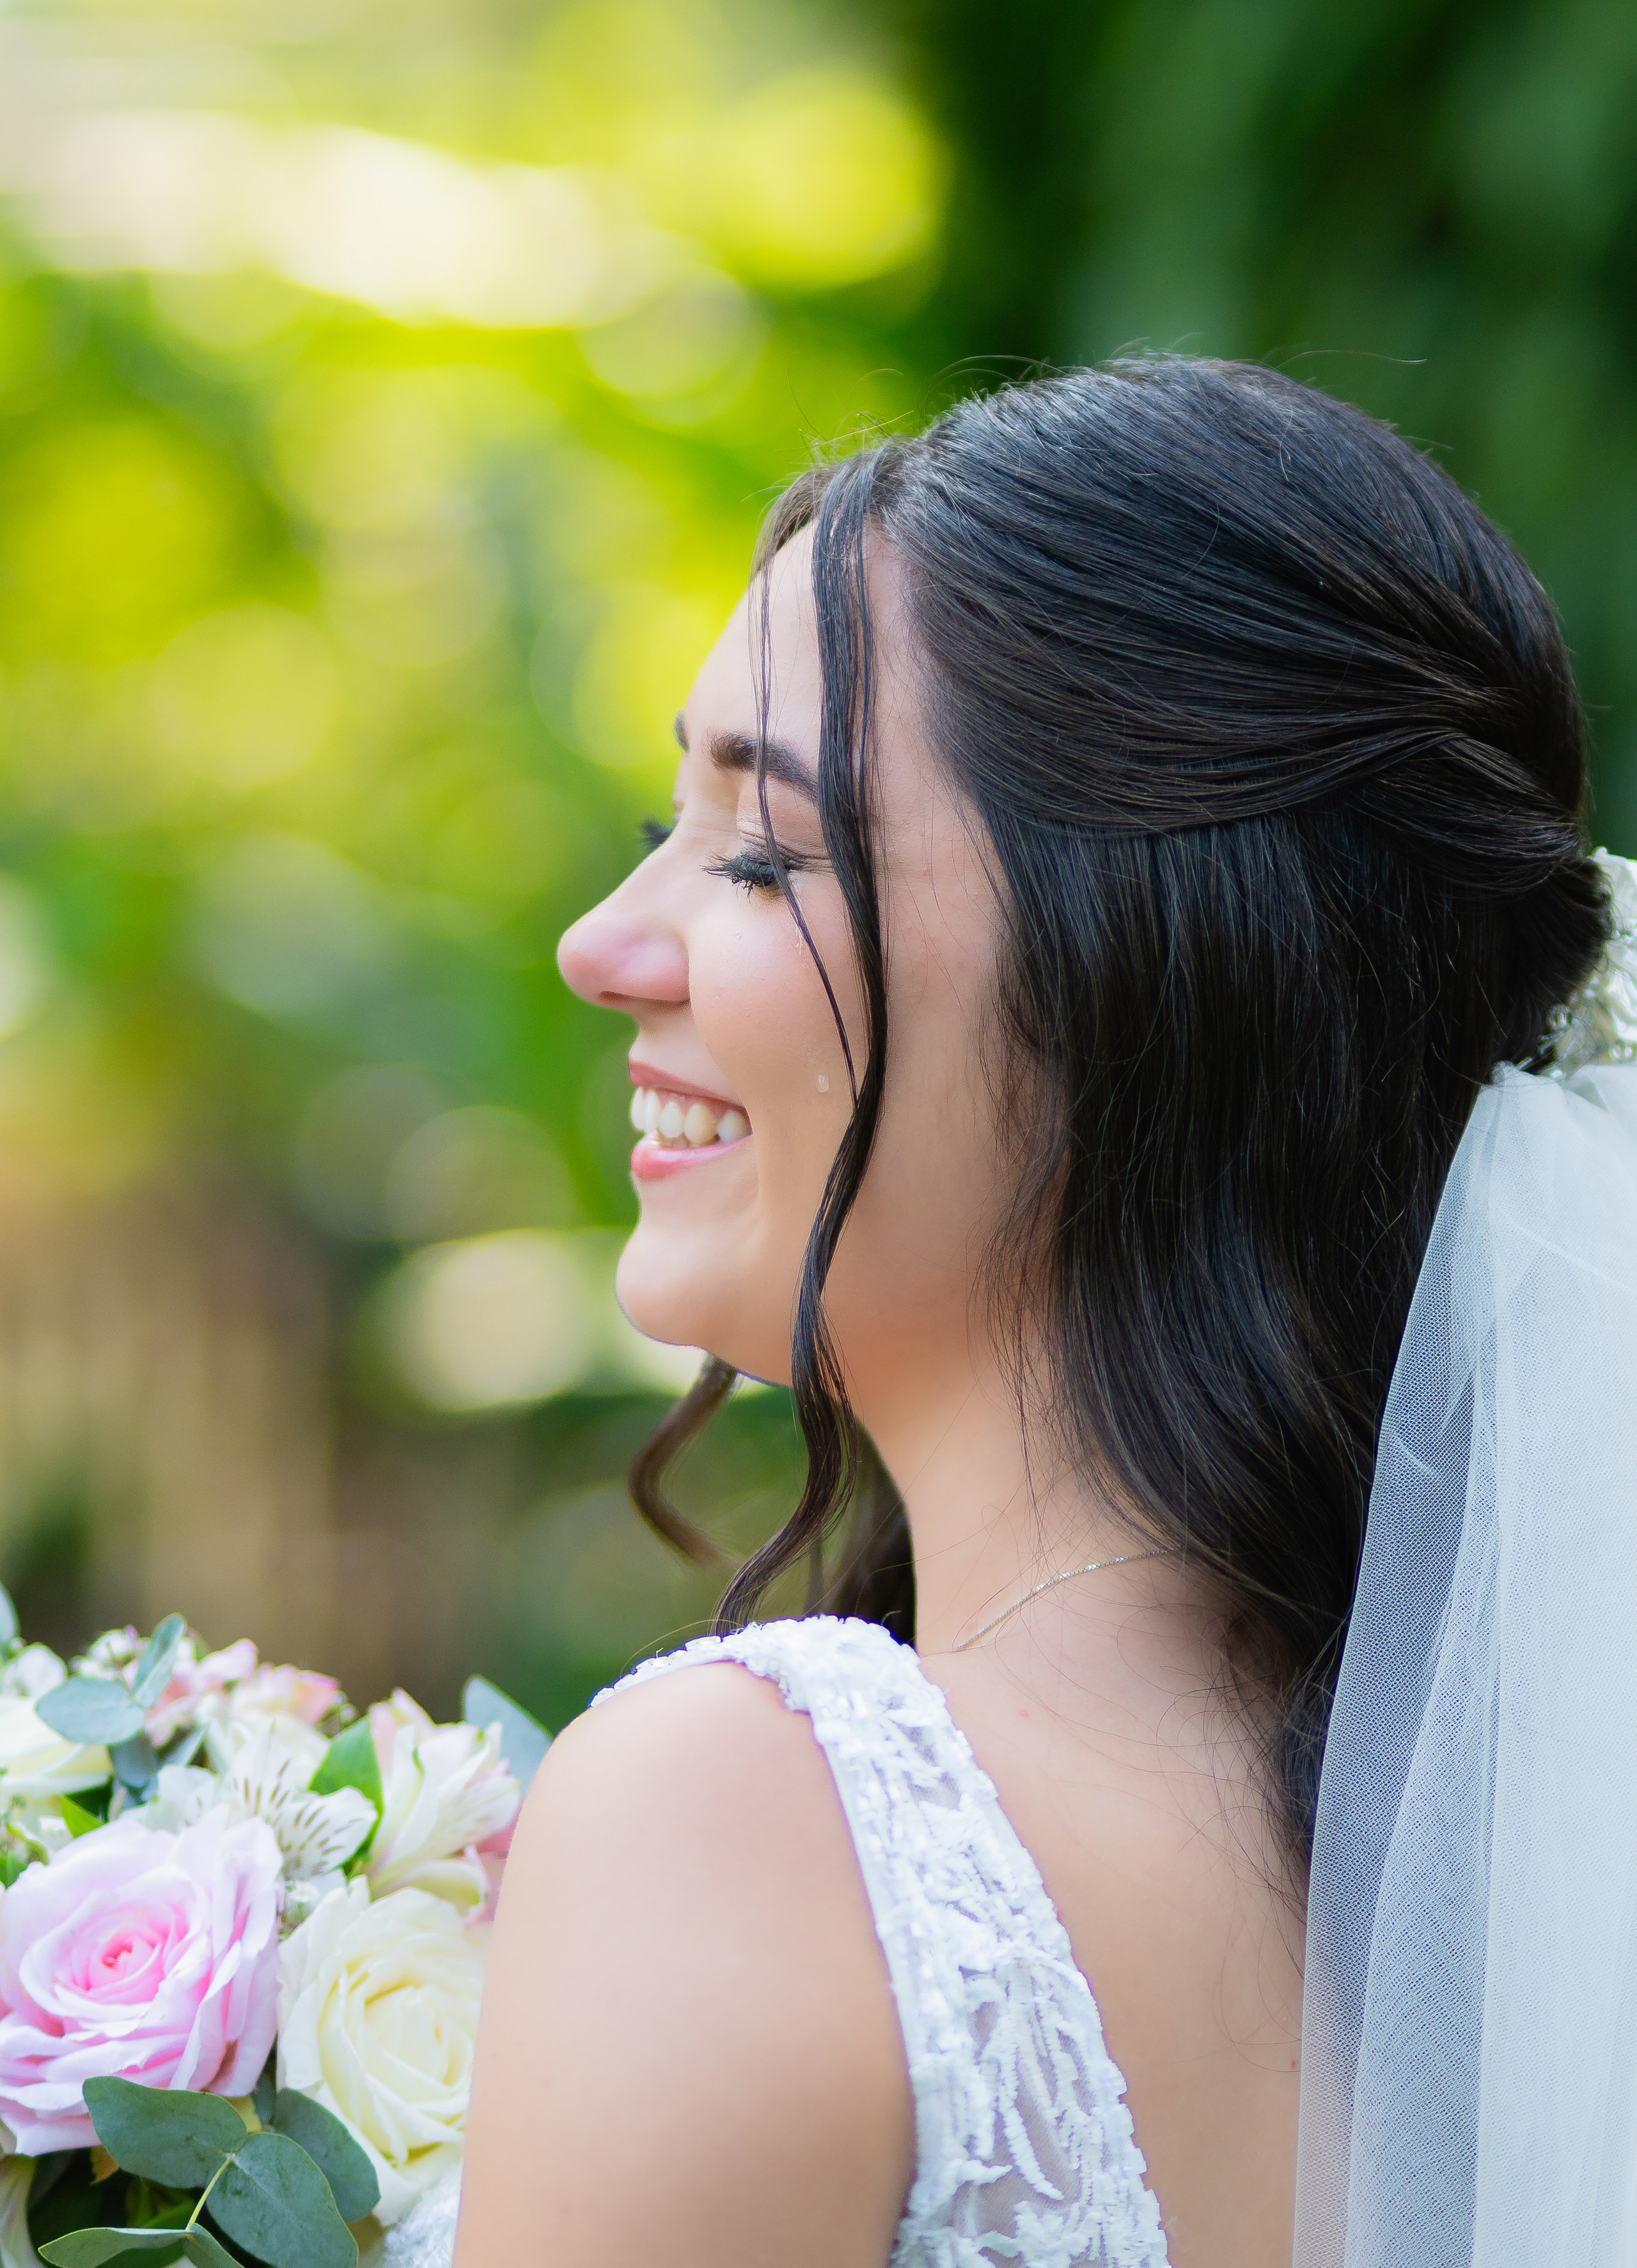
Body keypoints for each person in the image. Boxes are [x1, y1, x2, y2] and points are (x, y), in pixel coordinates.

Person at [444, 359, 1631, 2268]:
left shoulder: (750, 1819)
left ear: (1148, 979)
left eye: (764, 853)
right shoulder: (1522, 1882)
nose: (606, 946)